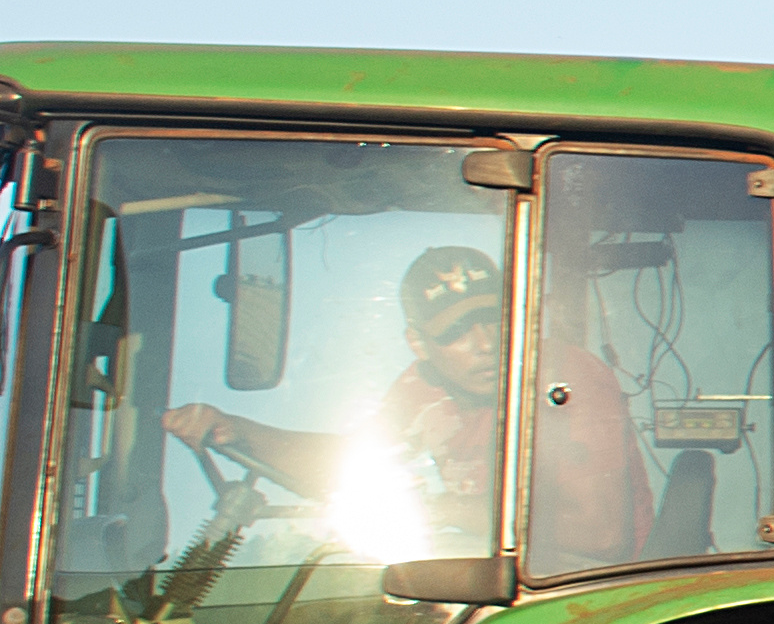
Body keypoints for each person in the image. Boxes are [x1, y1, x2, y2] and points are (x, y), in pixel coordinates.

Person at [165, 242, 639, 565]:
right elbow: (349, 466)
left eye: (492, 319)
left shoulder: (564, 378)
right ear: (418, 342)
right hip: (496, 571)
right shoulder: (424, 387)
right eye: (454, 331)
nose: (483, 342)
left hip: (578, 587)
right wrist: (239, 430)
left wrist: (442, 510)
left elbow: (600, 534)